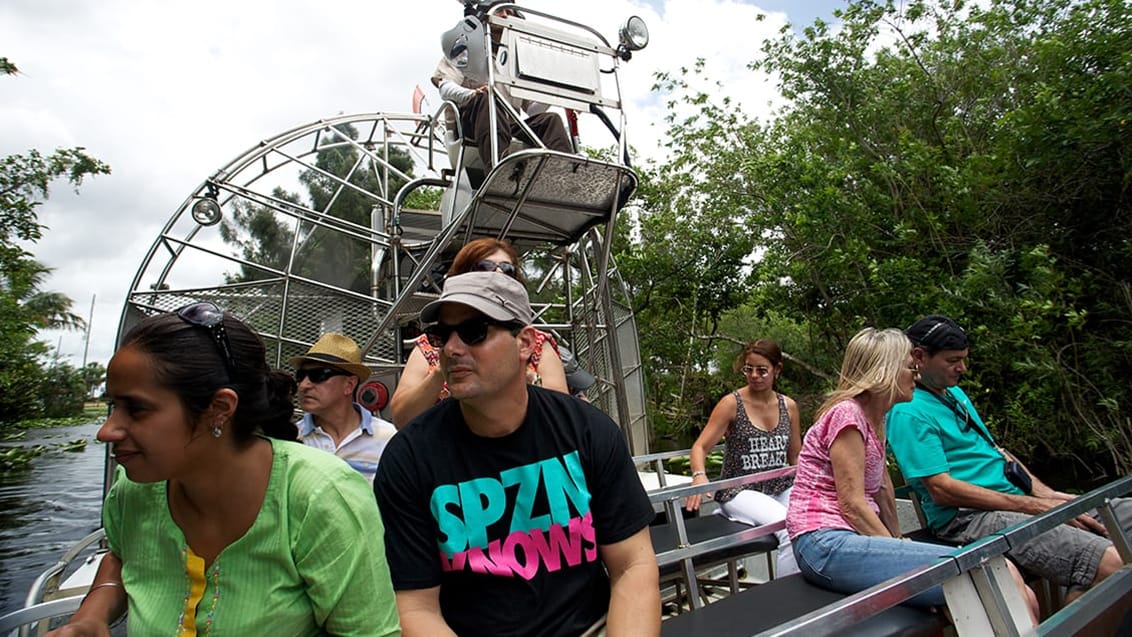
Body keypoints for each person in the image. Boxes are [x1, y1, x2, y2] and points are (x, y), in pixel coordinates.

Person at [46, 303, 399, 636]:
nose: (105, 431)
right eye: (112, 406)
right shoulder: (133, 490)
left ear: (219, 408)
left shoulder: (320, 497)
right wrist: (90, 617)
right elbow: (123, 555)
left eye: (136, 409)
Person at [374, 272, 659, 637]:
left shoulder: (587, 431)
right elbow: (414, 606)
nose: (451, 348)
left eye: (474, 330)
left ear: (525, 343)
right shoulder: (409, 457)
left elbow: (632, 565)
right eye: (442, 336)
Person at [786, 327, 1037, 617]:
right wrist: (897, 554)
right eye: (909, 367)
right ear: (886, 372)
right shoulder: (847, 414)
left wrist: (898, 542)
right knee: (996, 572)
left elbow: (882, 491)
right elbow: (852, 505)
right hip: (825, 541)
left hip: (850, 539)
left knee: (1021, 590)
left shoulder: (875, 420)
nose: (916, 375)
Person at [888, 314, 1132, 601]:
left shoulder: (952, 392)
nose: (962, 368)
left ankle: (1087, 589)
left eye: (964, 358)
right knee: (1112, 564)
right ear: (919, 356)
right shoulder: (908, 411)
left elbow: (996, 451)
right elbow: (941, 489)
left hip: (1018, 501)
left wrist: (1048, 495)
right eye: (953, 360)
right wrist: (1034, 507)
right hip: (971, 518)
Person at [389, 237, 568, 427]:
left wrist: (526, 376)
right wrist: (445, 367)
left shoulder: (536, 343)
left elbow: (561, 415)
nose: (498, 274)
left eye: (508, 270)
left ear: (525, 342)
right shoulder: (433, 345)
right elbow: (402, 419)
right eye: (484, 267)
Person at [683, 339, 803, 577]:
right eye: (749, 369)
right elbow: (700, 447)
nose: (754, 376)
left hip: (778, 487)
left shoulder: (788, 406)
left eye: (762, 370)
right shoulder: (731, 404)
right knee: (788, 528)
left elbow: (796, 456)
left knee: (810, 524)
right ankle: (789, 604)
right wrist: (699, 476)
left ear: (777, 370)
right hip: (740, 490)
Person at [433, 1, 572, 172]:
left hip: (509, 123)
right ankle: (498, 170)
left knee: (551, 120)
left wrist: (554, 93)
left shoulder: (515, 62)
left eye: (508, 12)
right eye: (499, 11)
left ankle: (563, 174)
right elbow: (445, 86)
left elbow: (532, 110)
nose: (505, 15)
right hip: (473, 121)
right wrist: (471, 94)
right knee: (487, 99)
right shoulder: (465, 49)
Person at [292, 332, 397, 484]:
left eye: (318, 375)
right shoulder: (293, 437)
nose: (303, 385)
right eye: (300, 376)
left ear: (349, 385)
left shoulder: (387, 437)